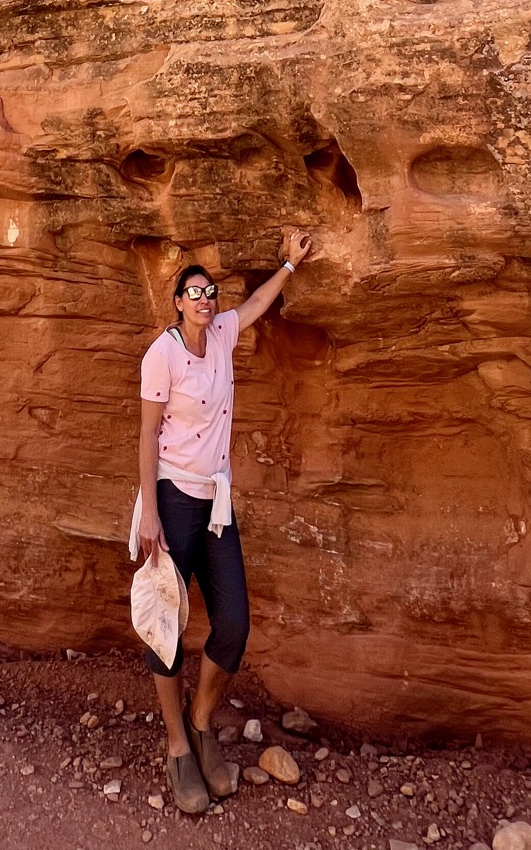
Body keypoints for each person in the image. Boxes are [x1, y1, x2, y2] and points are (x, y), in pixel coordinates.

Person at [131, 230, 314, 815]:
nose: (205, 299)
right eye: (194, 292)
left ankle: (201, 721)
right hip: (172, 497)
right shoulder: (162, 355)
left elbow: (257, 302)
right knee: (166, 622)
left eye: (210, 291)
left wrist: (290, 264)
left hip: (215, 502)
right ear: (178, 303)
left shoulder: (223, 334)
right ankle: (177, 747)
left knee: (232, 625)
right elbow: (147, 434)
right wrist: (150, 512)